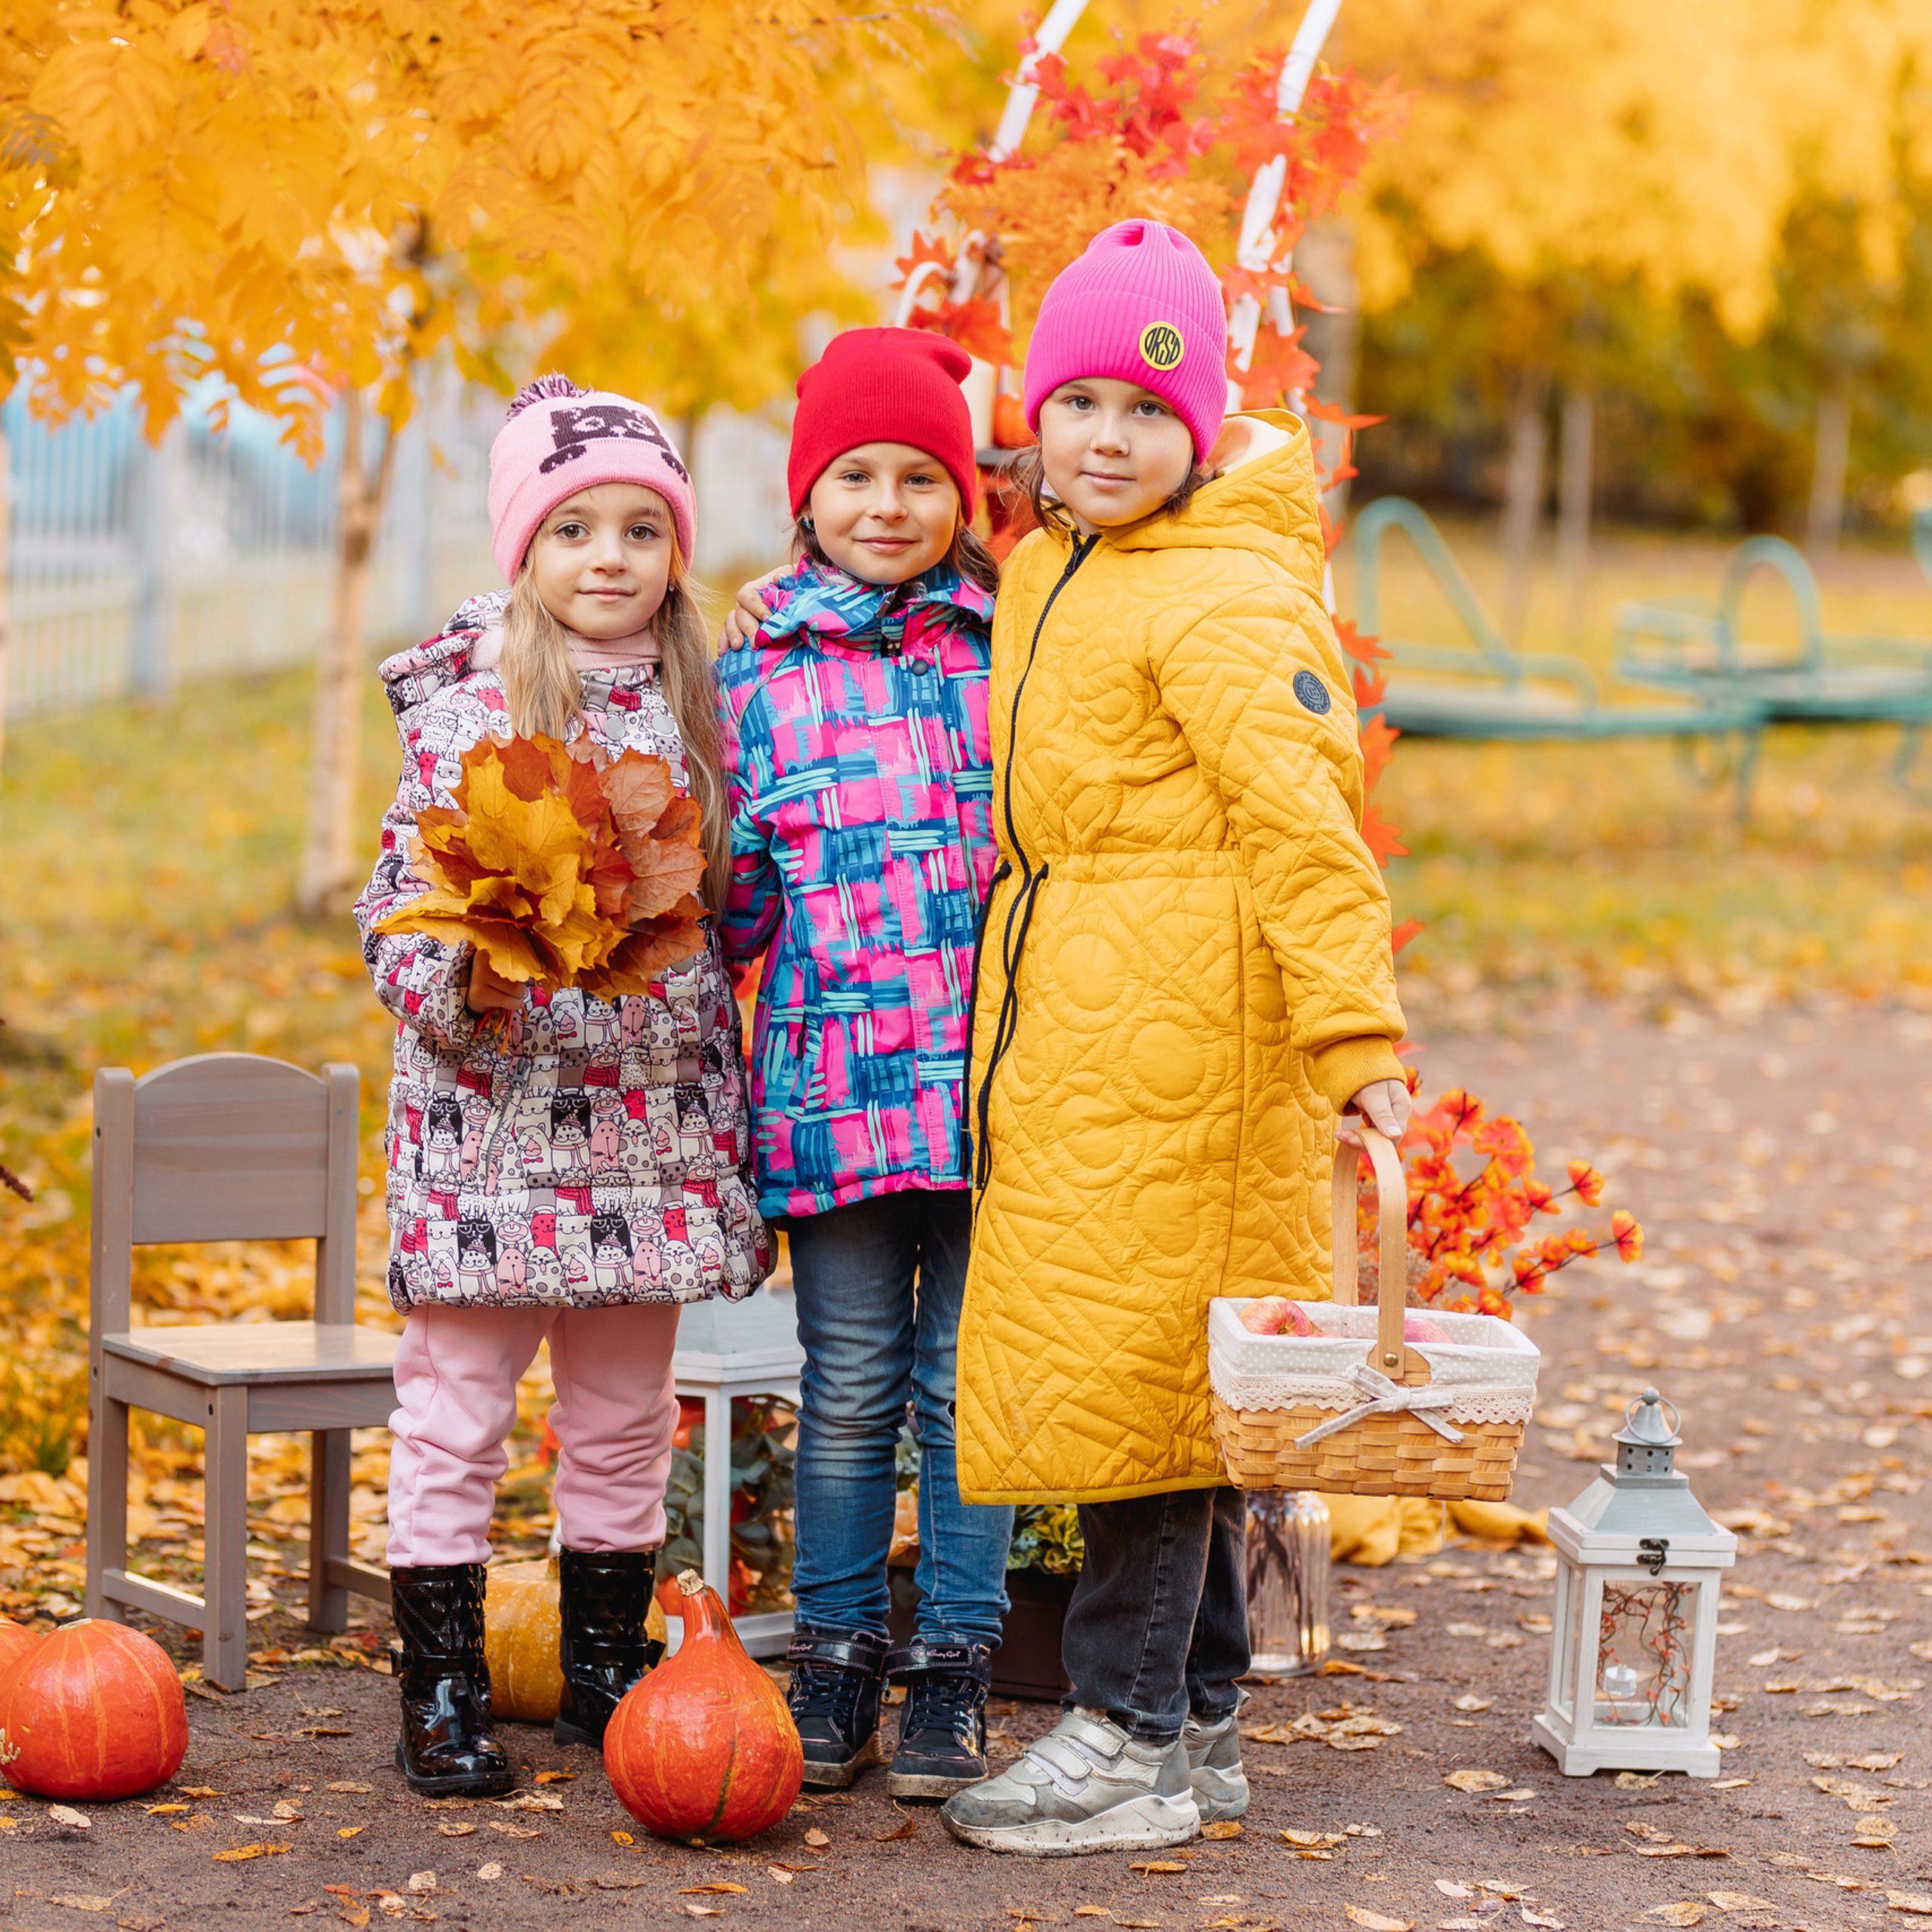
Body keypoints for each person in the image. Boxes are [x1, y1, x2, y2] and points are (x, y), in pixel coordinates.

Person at [935, 220, 1411, 1857]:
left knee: (1144, 1379)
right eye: (1080, 405)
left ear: (1199, 428)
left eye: (1146, 413)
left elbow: (1307, 828)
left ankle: (1123, 1728)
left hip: (1189, 1036)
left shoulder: (1216, 590)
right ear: (1039, 418)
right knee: (1166, 1373)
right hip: (1083, 1010)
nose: (1109, 440)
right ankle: (1195, 1711)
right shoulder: (1048, 565)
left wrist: (1356, 1040)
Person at [354, 376, 771, 1797]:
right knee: (455, 1414)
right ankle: (445, 1685)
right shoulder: (463, 717)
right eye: (573, 527)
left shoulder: (710, 714)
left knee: (617, 1421)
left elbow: (738, 908)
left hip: (647, 1140)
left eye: (641, 529)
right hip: (488, 1144)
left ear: (675, 548)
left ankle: (603, 1672)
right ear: (521, 551)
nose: (609, 556)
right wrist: (468, 981)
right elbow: (395, 918)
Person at [713, 328, 1016, 1798]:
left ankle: (953, 1657)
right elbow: (735, 902)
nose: (886, 503)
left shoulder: (1005, 651)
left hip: (985, 1094)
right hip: (832, 1095)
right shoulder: (753, 677)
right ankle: (830, 1651)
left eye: (918, 475)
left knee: (968, 1386)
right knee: (844, 1383)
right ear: (805, 493)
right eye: (855, 475)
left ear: (959, 492)